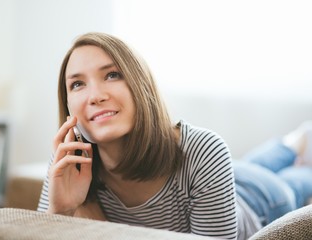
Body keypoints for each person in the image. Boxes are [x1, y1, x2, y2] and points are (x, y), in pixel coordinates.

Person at [37, 32, 312, 240]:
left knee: (296, 179)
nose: (95, 95)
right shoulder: (68, 162)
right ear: (68, 105)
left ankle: (296, 143)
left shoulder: (205, 149)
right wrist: (61, 211)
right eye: (77, 84)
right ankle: (293, 143)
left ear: (140, 85)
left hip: (259, 199)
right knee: (253, 164)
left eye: (111, 75)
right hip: (227, 174)